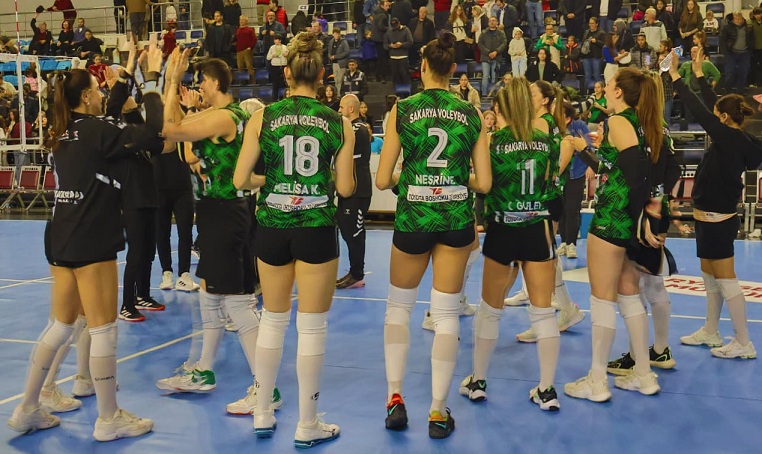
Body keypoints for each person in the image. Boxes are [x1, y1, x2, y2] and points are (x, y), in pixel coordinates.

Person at [7, 44, 164, 441]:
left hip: (60, 235)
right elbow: (152, 134)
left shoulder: (63, 133)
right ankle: (109, 418)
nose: (100, 93)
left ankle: (28, 407)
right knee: (103, 328)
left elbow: (107, 119)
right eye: (96, 89)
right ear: (84, 97)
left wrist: (124, 77)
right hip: (92, 236)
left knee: (61, 325)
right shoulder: (98, 131)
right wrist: (152, 81)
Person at [232, 31, 355, 447]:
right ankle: (307, 423)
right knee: (312, 327)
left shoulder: (262, 117)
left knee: (273, 319)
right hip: (316, 227)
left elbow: (240, 179)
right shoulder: (338, 122)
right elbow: (345, 188)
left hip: (272, 225)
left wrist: (273, 183)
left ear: (287, 73)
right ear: (321, 75)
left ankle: (262, 412)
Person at [376, 32, 491, 439]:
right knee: (445, 315)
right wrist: (454, 181)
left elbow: (382, 178)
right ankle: (438, 412)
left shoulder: (402, 110)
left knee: (398, 309)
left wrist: (410, 179)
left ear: (422, 67)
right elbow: (485, 183)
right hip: (455, 219)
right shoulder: (471, 113)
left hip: (413, 218)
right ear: (454, 70)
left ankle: (395, 399)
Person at [156, 52, 272, 418]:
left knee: (238, 303)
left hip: (227, 213)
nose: (197, 87)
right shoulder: (211, 115)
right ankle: (204, 370)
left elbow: (170, 131)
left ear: (216, 83)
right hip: (214, 212)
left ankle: (266, 389)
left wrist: (171, 82)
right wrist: (181, 101)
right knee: (209, 293)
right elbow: (173, 143)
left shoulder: (226, 116)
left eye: (201, 82)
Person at [459, 75, 561, 411]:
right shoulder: (547, 141)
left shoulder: (493, 142)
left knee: (490, 310)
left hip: (503, 228)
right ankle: (547, 390)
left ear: (501, 109)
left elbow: (484, 185)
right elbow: (553, 187)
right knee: (543, 312)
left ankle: (478, 381)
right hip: (537, 227)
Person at [564, 67, 664, 403]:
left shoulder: (619, 122)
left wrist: (643, 214)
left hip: (612, 218)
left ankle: (597, 381)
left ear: (619, 91)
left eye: (608, 85)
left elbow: (634, 173)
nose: (604, 89)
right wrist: (587, 150)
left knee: (602, 299)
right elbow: (623, 170)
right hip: (627, 218)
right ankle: (644, 375)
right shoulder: (641, 122)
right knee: (628, 294)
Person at [670, 48, 762, 358]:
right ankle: (711, 331)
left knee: (726, 278)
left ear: (723, 118)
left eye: (718, 114)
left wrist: (676, 76)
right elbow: (713, 106)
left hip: (718, 219)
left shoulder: (731, 138)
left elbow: (700, 111)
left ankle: (744, 342)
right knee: (709, 273)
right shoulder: (733, 135)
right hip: (707, 217)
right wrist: (698, 72)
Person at [607, 78, 681, 374]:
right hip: (655, 208)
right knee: (652, 281)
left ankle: (638, 357)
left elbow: (636, 173)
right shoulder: (659, 124)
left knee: (632, 285)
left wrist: (646, 209)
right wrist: (660, 202)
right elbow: (674, 168)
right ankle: (659, 350)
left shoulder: (629, 124)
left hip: (637, 210)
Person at [336, 94, 372, 289]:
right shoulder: (352, 127)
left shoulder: (357, 128)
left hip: (358, 189)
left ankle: (357, 274)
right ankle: (353, 271)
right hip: (347, 188)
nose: (339, 111)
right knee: (346, 229)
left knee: (355, 232)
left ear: (351, 109)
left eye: (342, 107)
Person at [478, 16, 507, 96]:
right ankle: (484, 95)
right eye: (490, 21)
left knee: (494, 77)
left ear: (497, 22)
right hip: (485, 58)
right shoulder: (484, 33)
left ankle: (493, 95)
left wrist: (496, 52)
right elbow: (480, 44)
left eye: (493, 20)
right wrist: (488, 53)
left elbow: (504, 43)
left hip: (497, 58)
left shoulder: (501, 33)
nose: (492, 22)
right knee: (485, 76)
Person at [582, 17, 606, 91]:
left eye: (592, 23)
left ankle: (600, 92)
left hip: (596, 57)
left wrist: (596, 41)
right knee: (587, 76)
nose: (591, 25)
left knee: (597, 76)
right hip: (586, 57)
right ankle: (587, 93)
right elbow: (583, 42)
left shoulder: (601, 33)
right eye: (590, 23)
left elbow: (604, 44)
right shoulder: (586, 32)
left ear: (597, 24)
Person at [327, 28, 350, 95]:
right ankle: (337, 94)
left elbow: (347, 51)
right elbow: (329, 51)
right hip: (334, 63)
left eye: (338, 34)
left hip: (341, 64)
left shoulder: (343, 42)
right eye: (335, 34)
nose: (337, 35)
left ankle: (340, 94)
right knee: (336, 79)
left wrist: (336, 56)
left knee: (340, 80)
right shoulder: (331, 41)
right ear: (333, 34)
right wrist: (330, 56)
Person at [266, 34, 287, 100]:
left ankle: (284, 97)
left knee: (284, 83)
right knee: (275, 84)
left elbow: (289, 56)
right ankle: (274, 99)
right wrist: (272, 55)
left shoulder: (285, 47)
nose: (275, 41)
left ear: (280, 40)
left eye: (276, 39)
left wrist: (286, 55)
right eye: (274, 39)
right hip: (275, 67)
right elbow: (268, 57)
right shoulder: (272, 47)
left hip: (283, 66)